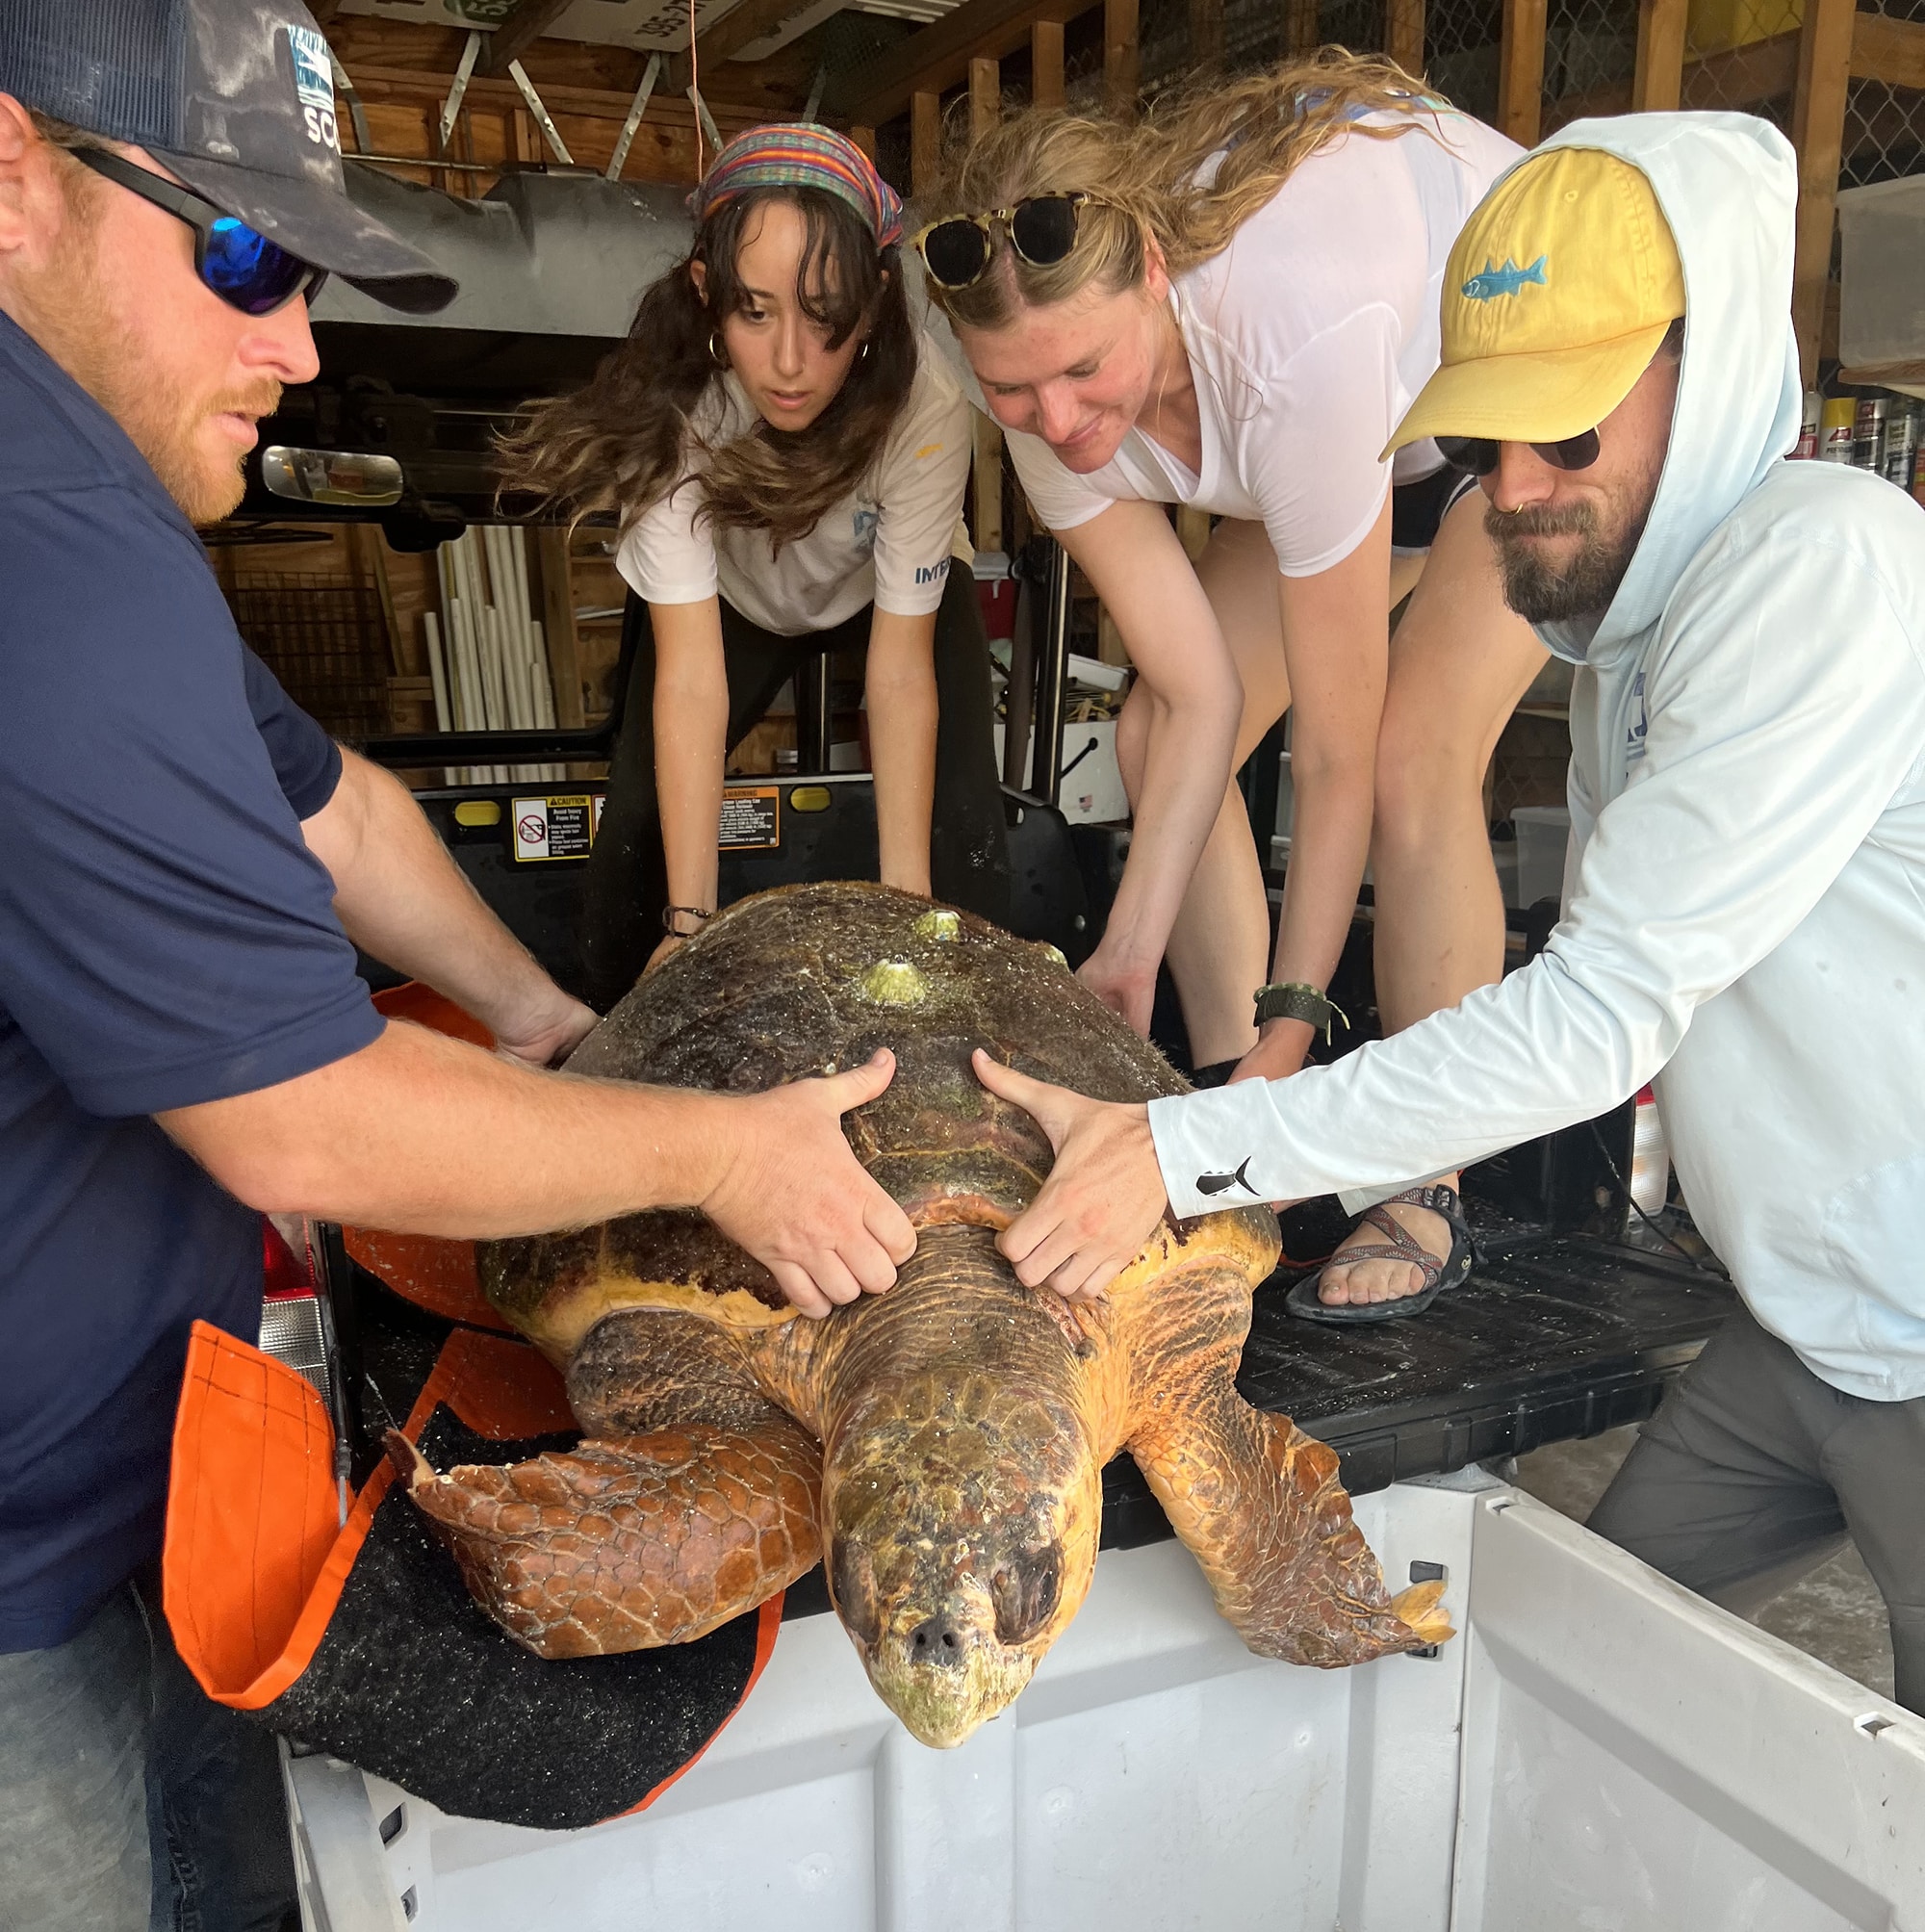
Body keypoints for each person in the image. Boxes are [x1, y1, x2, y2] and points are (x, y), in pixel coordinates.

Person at [0, 9, 917, 1927]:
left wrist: (551, 1027)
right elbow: (303, 1122)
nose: (300, 342)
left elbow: (334, 811)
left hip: (112, 1498)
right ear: (15, 175)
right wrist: (717, 1151)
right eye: (239, 256)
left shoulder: (92, 499)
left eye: (307, 271)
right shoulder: (50, 525)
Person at [971, 114, 1925, 1713]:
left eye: (1568, 431)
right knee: (1568, 1695)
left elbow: (1603, 1010)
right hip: (1811, 1333)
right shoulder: (1640, 627)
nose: (1518, 493)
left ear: (1711, 363)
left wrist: (1186, 1144)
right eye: (1486, 448)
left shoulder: (1822, 567)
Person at [914, 51, 1542, 1317]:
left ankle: (1426, 1184)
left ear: (1154, 273)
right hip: (1354, 434)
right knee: (1153, 730)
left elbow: (1339, 751)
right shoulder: (1044, 406)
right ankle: (1238, 1137)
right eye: (1013, 390)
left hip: (1518, 388)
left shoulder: (1289, 332)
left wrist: (1298, 1026)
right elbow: (1200, 693)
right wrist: (1127, 953)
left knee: (1418, 749)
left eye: (1085, 371)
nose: (1058, 418)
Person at [514, 123, 1009, 1012]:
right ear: (707, 294)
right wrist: (688, 923)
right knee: (634, 834)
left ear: (875, 303)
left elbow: (898, 678)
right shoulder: (672, 409)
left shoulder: (926, 401)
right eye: (755, 312)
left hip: (880, 592)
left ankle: (971, 1041)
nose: (790, 362)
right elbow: (694, 679)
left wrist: (908, 915)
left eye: (826, 317)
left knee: (967, 830)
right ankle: (608, 1051)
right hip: (731, 605)